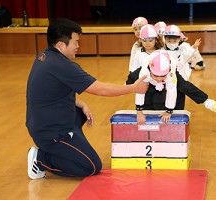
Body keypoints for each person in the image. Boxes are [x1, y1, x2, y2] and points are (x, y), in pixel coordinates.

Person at [26, 18, 148, 179]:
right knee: (91, 166)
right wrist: (133, 88)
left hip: (43, 122)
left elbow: (50, 92)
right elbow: (101, 89)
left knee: (81, 112)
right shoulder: (63, 66)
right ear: (61, 45)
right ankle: (41, 159)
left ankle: (69, 143)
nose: (78, 46)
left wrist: (80, 103)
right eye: (76, 42)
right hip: (50, 132)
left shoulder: (44, 56)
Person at [126, 50, 216, 124]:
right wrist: (139, 111)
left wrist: (169, 111)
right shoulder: (145, 71)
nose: (159, 79)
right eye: (156, 76)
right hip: (146, 71)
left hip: (169, 73)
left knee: (184, 86)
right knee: (134, 78)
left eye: (162, 76)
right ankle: (125, 85)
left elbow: (172, 91)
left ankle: (206, 101)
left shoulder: (171, 74)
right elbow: (140, 92)